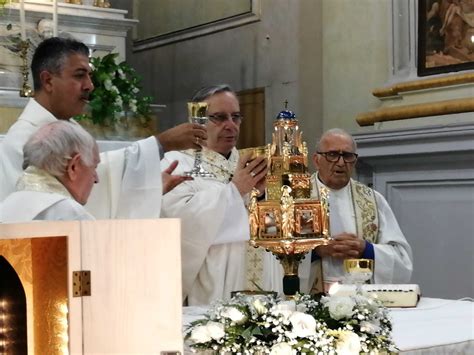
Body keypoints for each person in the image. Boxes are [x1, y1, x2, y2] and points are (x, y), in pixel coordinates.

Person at [0, 37, 206, 219]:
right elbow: (46, 211)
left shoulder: (69, 129)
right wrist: (161, 144)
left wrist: (143, 188)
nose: (90, 85)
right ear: (48, 80)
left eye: (89, 75)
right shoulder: (22, 140)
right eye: (79, 75)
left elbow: (95, 179)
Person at [160, 84, 268, 305]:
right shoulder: (176, 163)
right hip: (211, 287)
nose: (231, 126)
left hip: (261, 280)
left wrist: (264, 199)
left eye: (236, 117)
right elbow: (178, 222)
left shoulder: (251, 164)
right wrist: (235, 191)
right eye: (219, 118)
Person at [301, 128, 413, 293]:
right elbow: (274, 259)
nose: (340, 163)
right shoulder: (296, 198)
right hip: (309, 302)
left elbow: (402, 259)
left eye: (347, 156)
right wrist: (317, 251)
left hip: (361, 300)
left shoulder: (373, 200)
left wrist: (366, 249)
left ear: (354, 161)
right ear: (316, 160)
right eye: (332, 155)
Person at [1, 121, 99, 221]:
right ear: (73, 167)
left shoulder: (6, 206)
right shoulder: (71, 215)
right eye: (94, 167)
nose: (96, 179)